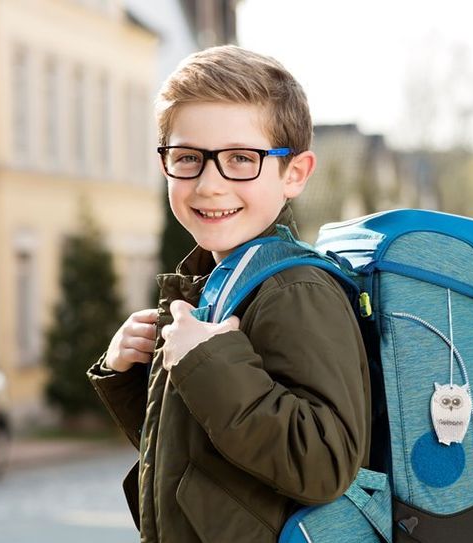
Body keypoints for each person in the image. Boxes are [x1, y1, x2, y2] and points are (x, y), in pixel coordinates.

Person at [87, 45, 370, 543]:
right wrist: (131, 376)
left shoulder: (295, 290)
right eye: (188, 159)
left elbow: (325, 462)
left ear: (295, 173)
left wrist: (209, 364)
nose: (210, 184)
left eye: (241, 158)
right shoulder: (219, 286)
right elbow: (202, 458)